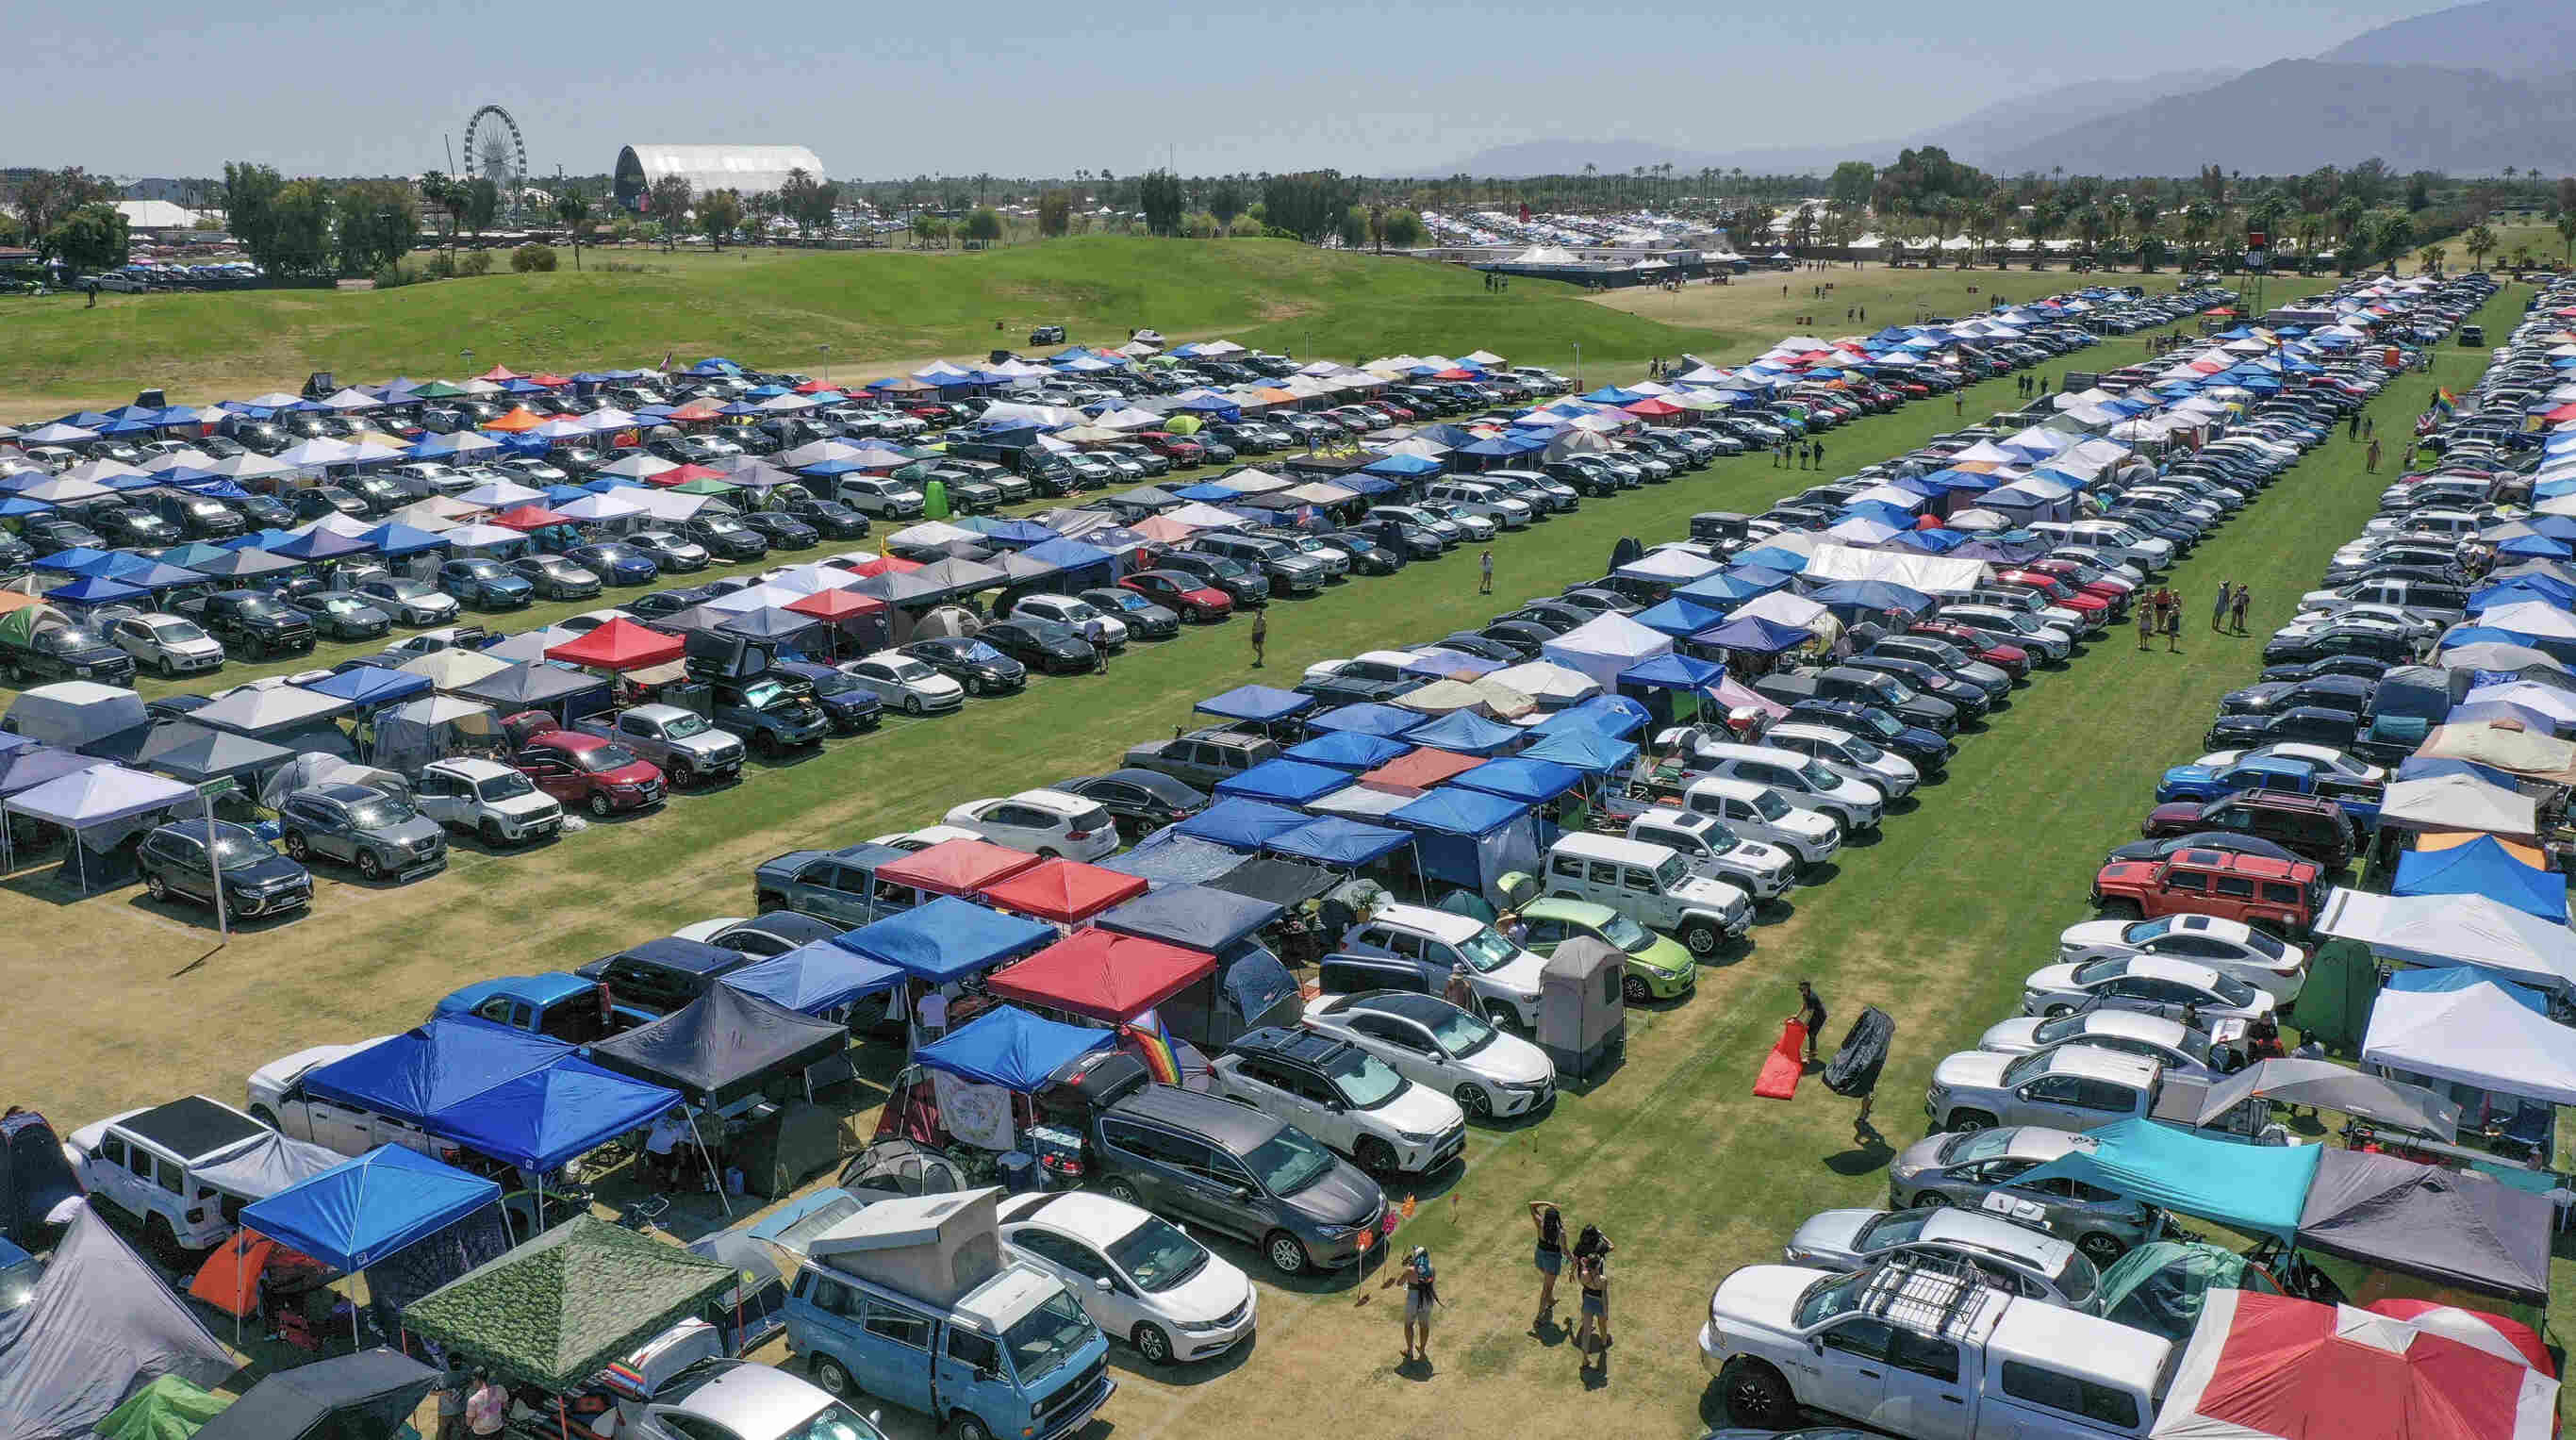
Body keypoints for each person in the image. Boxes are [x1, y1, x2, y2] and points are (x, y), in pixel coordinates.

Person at [1378, 1245, 1438, 1364]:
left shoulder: (1410, 1270)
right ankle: (1422, 1350)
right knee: (1424, 1326)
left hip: (1413, 1300)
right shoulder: (1432, 1268)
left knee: (1409, 1325)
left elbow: (1400, 1283)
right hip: (1427, 1299)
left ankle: (1409, 1351)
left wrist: (1409, 1268)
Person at [1572, 1230, 1611, 1367]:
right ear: (1598, 1265)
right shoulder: (1603, 1280)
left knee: (1586, 1333)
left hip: (1587, 1301)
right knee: (1602, 1325)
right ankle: (1604, 1343)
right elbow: (1604, 1297)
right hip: (1599, 1303)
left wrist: (1582, 1264)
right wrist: (1606, 1312)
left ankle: (1584, 1359)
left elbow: (1581, 1264)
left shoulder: (1583, 1275)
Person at [1528, 1201, 1567, 1324]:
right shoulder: (1560, 1233)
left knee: (1548, 1284)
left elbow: (1531, 1205)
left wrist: (1548, 1203)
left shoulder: (1540, 1224)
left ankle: (1550, 1301)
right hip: (1552, 1261)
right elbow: (1565, 1251)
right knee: (1547, 1287)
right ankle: (1539, 1317)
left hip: (1539, 1258)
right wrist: (1573, 1260)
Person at [465, 1370, 508, 1438]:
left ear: (477, 1380)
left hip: (481, 1433)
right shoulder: (500, 1389)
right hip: (498, 1429)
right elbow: (505, 1407)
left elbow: (469, 1423)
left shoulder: (473, 1400)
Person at [436, 1361, 471, 1440]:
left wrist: (463, 1388)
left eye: (459, 1363)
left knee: (464, 1431)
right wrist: (444, 1392)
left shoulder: (466, 1369)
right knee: (443, 1432)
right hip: (446, 1412)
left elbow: (470, 1382)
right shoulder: (440, 1371)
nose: (457, 1365)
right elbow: (431, 1391)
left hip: (462, 1409)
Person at [1795, 981, 1827, 1063]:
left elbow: (1810, 1013)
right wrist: (1797, 1015)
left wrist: (1804, 1024)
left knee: (1812, 1034)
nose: (1801, 991)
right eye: (1800, 989)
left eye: (1802, 989)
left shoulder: (1811, 998)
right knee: (1810, 1033)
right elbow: (1804, 1006)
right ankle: (1813, 1050)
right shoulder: (1805, 995)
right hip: (1815, 1016)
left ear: (1807, 988)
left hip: (1819, 1016)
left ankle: (1809, 1057)